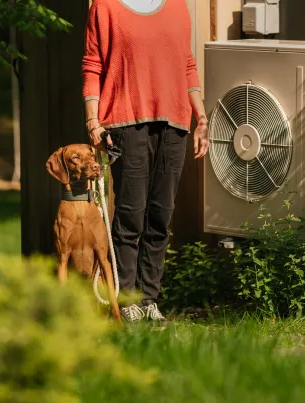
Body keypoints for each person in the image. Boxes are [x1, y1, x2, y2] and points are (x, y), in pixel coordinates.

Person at [82, 0, 209, 323]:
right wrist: (93, 122)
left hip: (175, 125)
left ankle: (149, 298)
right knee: (130, 216)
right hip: (126, 124)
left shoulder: (178, 7)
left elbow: (187, 65)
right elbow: (93, 65)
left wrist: (202, 117)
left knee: (160, 217)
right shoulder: (105, 6)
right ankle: (127, 300)